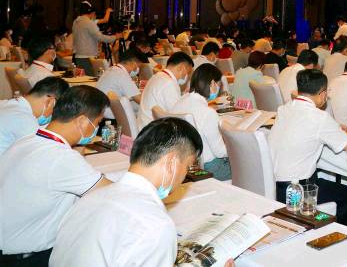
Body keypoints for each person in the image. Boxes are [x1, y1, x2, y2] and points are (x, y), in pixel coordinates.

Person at [49, 118, 203, 267]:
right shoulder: (155, 225)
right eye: (187, 167)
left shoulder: (87, 200)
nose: (184, 175)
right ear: (171, 163)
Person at [0, 86, 111, 265]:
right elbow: (112, 193)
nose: (96, 129)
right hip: (26, 258)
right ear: (82, 121)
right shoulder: (62, 158)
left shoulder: (28, 139)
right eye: (97, 123)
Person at [269, 69, 347, 226]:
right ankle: (342, 234)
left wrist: (333, 128)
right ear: (323, 94)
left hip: (273, 185)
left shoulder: (283, 109)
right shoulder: (320, 117)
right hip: (297, 192)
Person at [172, 64, 231, 181]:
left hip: (183, 164)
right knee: (251, 166)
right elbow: (220, 152)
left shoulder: (180, 101)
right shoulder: (208, 113)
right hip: (210, 168)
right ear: (212, 84)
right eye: (219, 84)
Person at [0, 77, 68, 156]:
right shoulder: (26, 120)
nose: (51, 116)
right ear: (49, 102)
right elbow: (42, 155)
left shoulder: (4, 103)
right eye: (54, 111)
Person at [138, 52, 194, 129]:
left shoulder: (157, 76)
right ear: (181, 67)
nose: (186, 76)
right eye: (188, 72)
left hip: (145, 126)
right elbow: (178, 115)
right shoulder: (169, 83)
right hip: (153, 130)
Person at [71, 1, 120, 76]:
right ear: (92, 12)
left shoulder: (76, 22)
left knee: (83, 78)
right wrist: (116, 37)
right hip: (88, 57)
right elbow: (100, 37)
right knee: (90, 78)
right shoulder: (89, 23)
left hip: (78, 56)